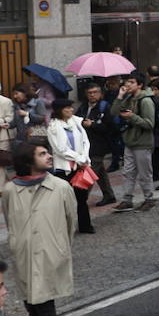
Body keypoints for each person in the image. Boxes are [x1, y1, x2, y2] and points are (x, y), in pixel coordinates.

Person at [1, 143, 77, 316]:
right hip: (23, 254)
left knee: (44, 304)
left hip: (49, 254)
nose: (48, 156)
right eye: (42, 153)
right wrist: (17, 242)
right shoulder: (11, 189)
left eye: (47, 152)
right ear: (28, 159)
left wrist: (58, 246)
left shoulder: (60, 187)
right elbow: (9, 219)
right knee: (30, 303)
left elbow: (70, 222)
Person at [46, 98, 94, 235]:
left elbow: (85, 140)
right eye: (67, 108)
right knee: (64, 199)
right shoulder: (53, 126)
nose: (71, 110)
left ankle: (85, 226)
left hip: (79, 166)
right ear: (59, 110)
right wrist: (78, 158)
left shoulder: (75, 121)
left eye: (71, 107)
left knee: (82, 198)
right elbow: (60, 149)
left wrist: (84, 157)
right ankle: (64, 228)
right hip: (64, 168)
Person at [112, 73, 157, 213]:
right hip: (129, 141)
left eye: (131, 82)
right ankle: (127, 200)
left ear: (140, 85)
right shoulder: (128, 98)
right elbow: (113, 112)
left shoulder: (146, 101)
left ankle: (149, 199)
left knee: (144, 174)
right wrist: (119, 96)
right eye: (126, 82)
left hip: (142, 142)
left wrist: (132, 117)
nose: (127, 85)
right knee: (128, 172)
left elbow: (150, 124)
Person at [76, 82, 117, 206]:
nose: (92, 95)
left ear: (101, 94)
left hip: (99, 145)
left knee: (88, 172)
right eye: (90, 93)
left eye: (95, 92)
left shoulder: (105, 107)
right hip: (86, 145)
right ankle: (109, 195)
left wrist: (93, 125)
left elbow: (110, 127)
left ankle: (81, 200)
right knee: (100, 172)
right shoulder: (83, 107)